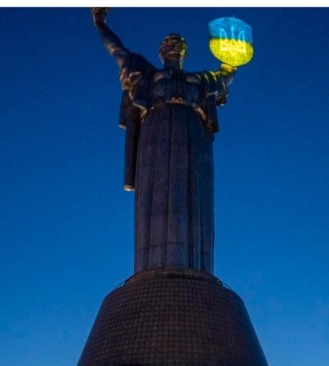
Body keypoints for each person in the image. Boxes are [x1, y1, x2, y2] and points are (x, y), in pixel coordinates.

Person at [92, 8, 237, 275]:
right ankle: (152, 270)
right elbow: (118, 51)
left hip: (193, 134)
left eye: (178, 44)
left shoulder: (199, 79)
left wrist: (232, 59)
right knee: (155, 193)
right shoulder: (148, 74)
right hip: (155, 134)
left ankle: (194, 268)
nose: (174, 46)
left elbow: (225, 76)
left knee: (195, 195)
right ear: (161, 51)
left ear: (184, 53)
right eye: (169, 44)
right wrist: (100, 25)